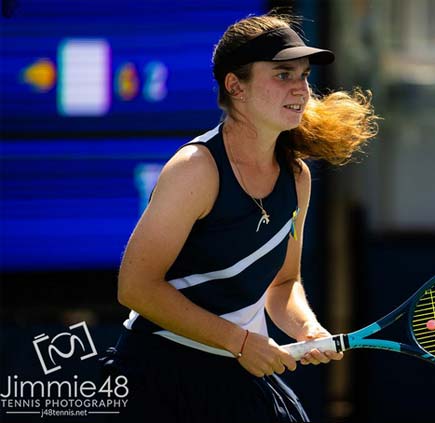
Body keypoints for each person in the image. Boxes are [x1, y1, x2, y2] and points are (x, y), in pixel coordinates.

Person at [100, 11, 378, 423]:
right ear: (236, 86)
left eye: (303, 75)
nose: (301, 88)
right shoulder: (195, 169)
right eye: (283, 74)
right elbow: (136, 288)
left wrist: (307, 328)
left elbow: (283, 283)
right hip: (158, 375)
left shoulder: (297, 177)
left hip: (238, 377)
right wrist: (242, 342)